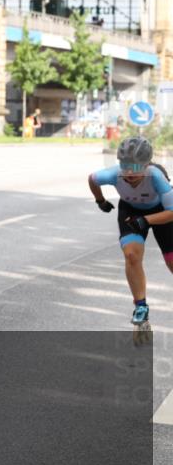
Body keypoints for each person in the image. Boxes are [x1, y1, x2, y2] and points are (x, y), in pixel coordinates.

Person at [89, 136, 173, 344]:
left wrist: (146, 220)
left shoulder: (156, 176)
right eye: (125, 167)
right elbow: (92, 179)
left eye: (135, 168)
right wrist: (100, 200)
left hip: (163, 213)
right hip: (130, 210)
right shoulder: (113, 175)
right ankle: (141, 307)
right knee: (131, 255)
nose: (129, 174)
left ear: (147, 165)